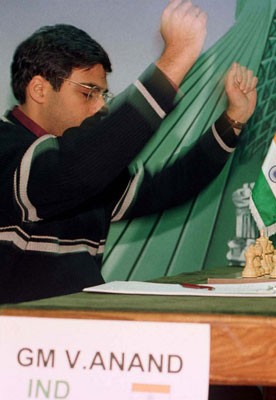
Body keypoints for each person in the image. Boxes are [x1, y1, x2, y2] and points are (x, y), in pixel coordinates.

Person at [0, 0, 258, 304]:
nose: (101, 105)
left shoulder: (86, 171)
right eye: (88, 92)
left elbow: (170, 186)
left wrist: (233, 120)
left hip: (84, 337)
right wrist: (174, 61)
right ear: (40, 90)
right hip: (21, 346)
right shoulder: (9, 151)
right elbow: (73, 171)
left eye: (103, 93)